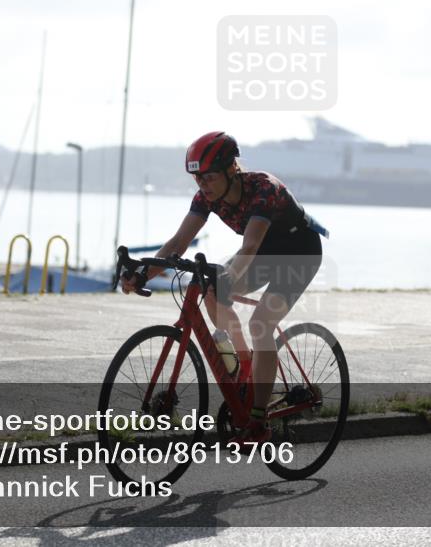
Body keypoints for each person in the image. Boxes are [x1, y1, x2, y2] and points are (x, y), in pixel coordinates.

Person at [120, 131, 326, 444]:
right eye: (197, 178)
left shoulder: (263, 189)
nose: (202, 184)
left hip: (299, 252)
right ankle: (244, 366)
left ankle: (259, 421)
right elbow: (178, 242)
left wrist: (229, 275)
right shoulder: (206, 196)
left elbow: (251, 244)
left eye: (209, 176)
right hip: (265, 252)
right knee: (211, 290)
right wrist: (144, 273)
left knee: (261, 323)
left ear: (232, 170)